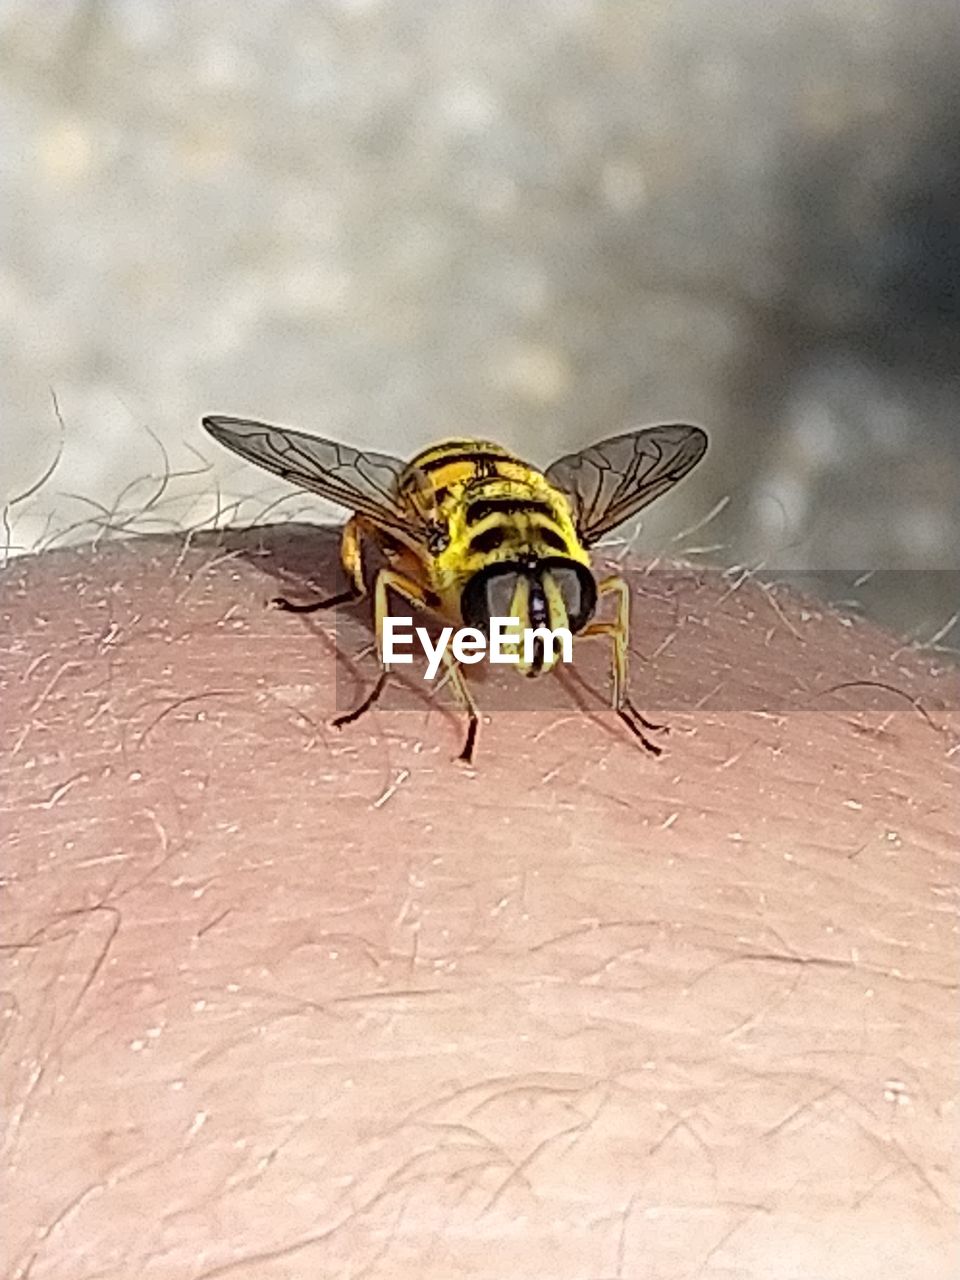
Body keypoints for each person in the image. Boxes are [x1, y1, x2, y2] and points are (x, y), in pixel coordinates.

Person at [3, 525, 957, 1279]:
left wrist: (616, 690)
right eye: (516, 612)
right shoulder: (430, 565)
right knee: (371, 549)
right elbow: (377, 553)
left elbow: (596, 598)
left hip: (510, 530)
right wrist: (385, 649)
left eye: (557, 607)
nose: (534, 630)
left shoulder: (578, 592)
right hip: (451, 510)